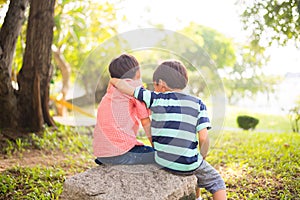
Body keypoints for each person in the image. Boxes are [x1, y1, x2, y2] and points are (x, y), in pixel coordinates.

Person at [110, 60, 227, 200]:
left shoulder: (155, 98)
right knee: (216, 181)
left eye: (155, 85)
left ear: (161, 83)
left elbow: (124, 87)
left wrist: (113, 79)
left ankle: (197, 196)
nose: (154, 88)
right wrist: (202, 157)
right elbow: (203, 138)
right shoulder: (198, 104)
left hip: (162, 161)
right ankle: (197, 197)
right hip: (188, 163)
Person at [93, 54, 154, 165]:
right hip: (122, 154)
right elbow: (145, 122)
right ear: (138, 72)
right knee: (158, 156)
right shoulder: (136, 89)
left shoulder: (111, 90)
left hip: (102, 155)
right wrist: (155, 147)